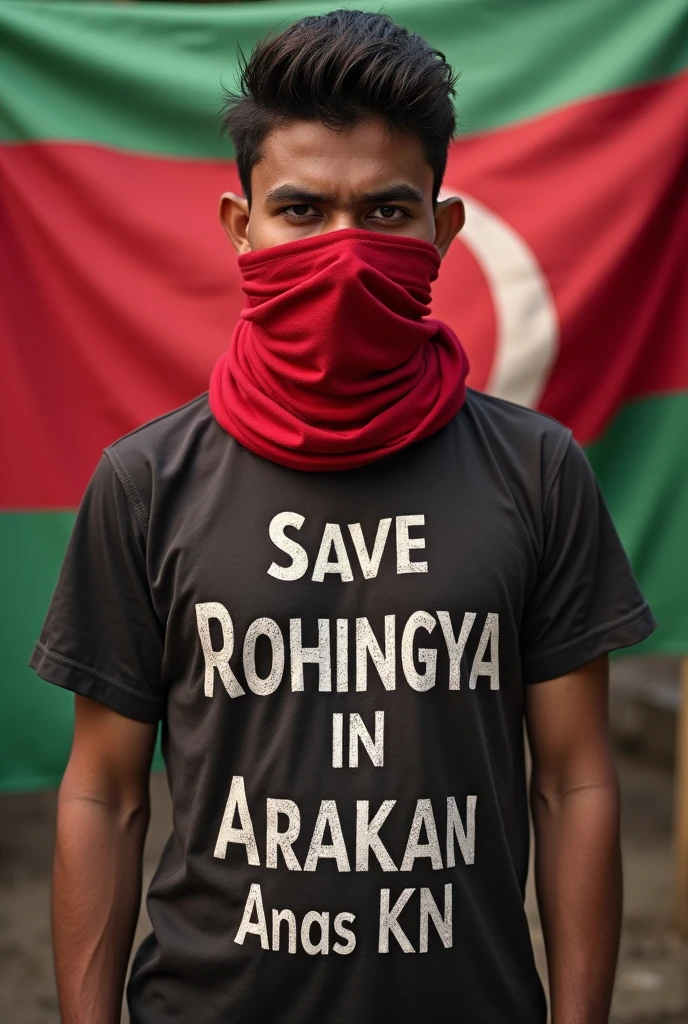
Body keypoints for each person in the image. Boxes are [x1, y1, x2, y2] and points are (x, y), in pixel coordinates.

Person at [30, 10, 656, 1024]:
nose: (345, 252)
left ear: (442, 232)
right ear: (242, 228)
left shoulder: (538, 471)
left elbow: (575, 778)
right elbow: (103, 791)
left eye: (386, 213)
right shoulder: (147, 481)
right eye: (301, 211)